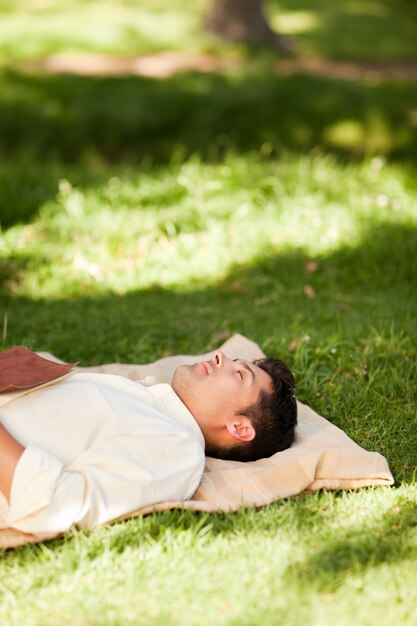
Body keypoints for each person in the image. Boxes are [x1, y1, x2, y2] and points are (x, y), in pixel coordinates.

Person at [0, 350, 297, 537]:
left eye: (239, 372)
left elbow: (56, 504)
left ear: (240, 428)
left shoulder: (176, 449)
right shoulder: (142, 398)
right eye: (233, 360)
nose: (220, 356)